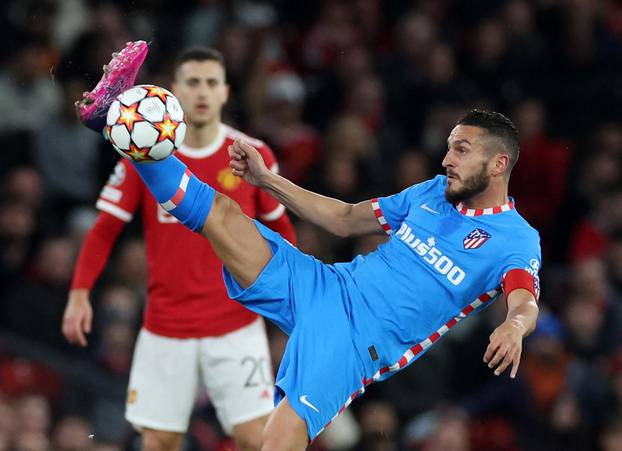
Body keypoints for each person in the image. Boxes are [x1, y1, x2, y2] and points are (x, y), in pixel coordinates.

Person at [76, 46, 541, 449]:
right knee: (221, 214)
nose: (446, 159)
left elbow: (523, 300)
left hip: (356, 341)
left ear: (498, 163)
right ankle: (112, 117)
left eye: (461, 149)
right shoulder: (433, 193)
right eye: (449, 146)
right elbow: (343, 219)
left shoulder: (516, 238)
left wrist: (516, 328)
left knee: (275, 440)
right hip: (325, 285)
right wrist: (264, 180)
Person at [62, 44, 296, 451]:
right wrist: (80, 293)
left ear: (225, 92)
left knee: (258, 441)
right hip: (166, 327)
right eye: (193, 82)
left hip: (236, 325)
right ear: (174, 91)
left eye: (211, 83)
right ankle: (107, 117)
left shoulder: (253, 155)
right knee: (159, 443)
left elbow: (282, 231)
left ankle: (106, 117)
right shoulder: (141, 152)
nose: (202, 92)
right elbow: (103, 230)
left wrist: (295, 306)